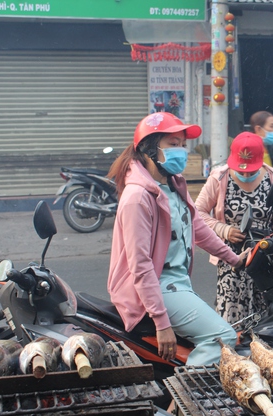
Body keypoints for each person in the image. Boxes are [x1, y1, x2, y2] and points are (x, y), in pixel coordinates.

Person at [106, 112, 247, 366]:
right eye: (173, 144)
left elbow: (198, 229)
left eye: (183, 145)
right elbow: (140, 265)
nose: (181, 151)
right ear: (150, 149)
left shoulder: (173, 185)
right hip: (153, 290)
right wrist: (161, 322)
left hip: (175, 285)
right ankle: (183, 402)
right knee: (223, 337)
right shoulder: (137, 198)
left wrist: (234, 259)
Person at [195, 132, 273, 323]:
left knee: (269, 316)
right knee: (232, 318)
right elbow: (198, 212)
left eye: (251, 170)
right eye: (241, 171)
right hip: (231, 258)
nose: (246, 174)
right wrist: (223, 230)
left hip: (267, 255)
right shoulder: (219, 178)